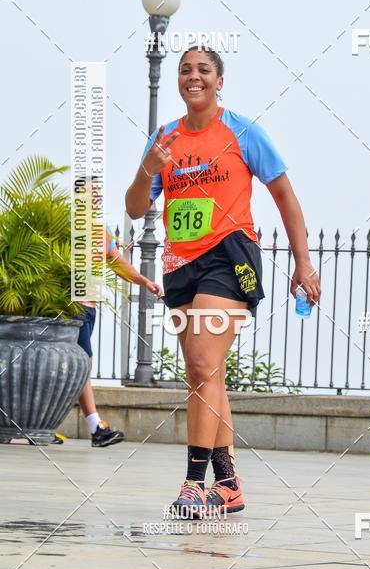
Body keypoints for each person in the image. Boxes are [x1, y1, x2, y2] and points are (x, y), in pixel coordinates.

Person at [125, 46, 320, 516]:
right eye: (186, 70)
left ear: (219, 81)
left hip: (230, 255)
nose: (194, 77)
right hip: (180, 264)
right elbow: (133, 208)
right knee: (205, 373)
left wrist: (303, 263)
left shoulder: (243, 131)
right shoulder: (164, 138)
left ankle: (194, 483)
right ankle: (228, 484)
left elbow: (285, 198)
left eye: (204, 70)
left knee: (200, 357)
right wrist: (148, 168)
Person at [73, 190, 163, 447]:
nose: (97, 201)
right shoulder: (67, 230)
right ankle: (95, 428)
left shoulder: (101, 234)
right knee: (83, 365)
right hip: (72, 310)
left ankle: (47, 422)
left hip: (90, 308)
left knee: (75, 367)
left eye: (99, 197)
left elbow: (117, 262)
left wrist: (145, 281)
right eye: (92, 196)